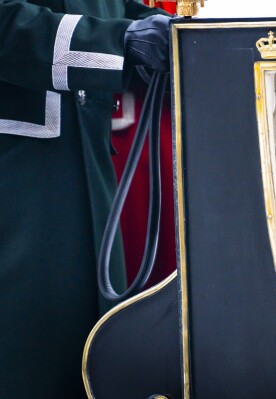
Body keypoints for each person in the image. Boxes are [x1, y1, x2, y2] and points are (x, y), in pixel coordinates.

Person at [0, 1, 170, 397]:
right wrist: (116, 42)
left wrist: (175, 33)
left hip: (90, 165)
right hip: (16, 173)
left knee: (92, 348)